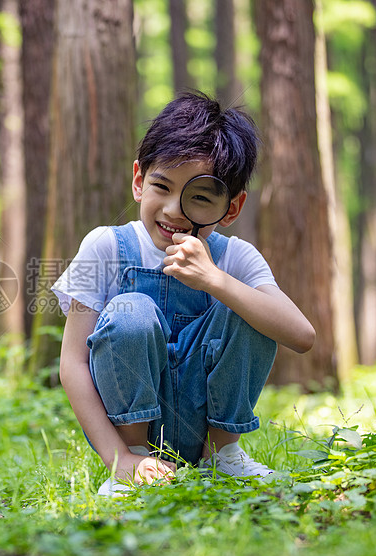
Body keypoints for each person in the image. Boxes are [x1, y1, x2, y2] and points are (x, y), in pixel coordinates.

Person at [51, 91, 315, 496]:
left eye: (200, 197)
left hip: (207, 433)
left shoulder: (235, 258)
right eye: (162, 186)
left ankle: (223, 458)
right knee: (131, 309)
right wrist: (117, 458)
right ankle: (136, 460)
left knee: (247, 303)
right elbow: (72, 363)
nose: (174, 210)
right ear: (139, 180)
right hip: (128, 438)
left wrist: (215, 280)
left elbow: (301, 335)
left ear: (231, 207)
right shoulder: (105, 246)